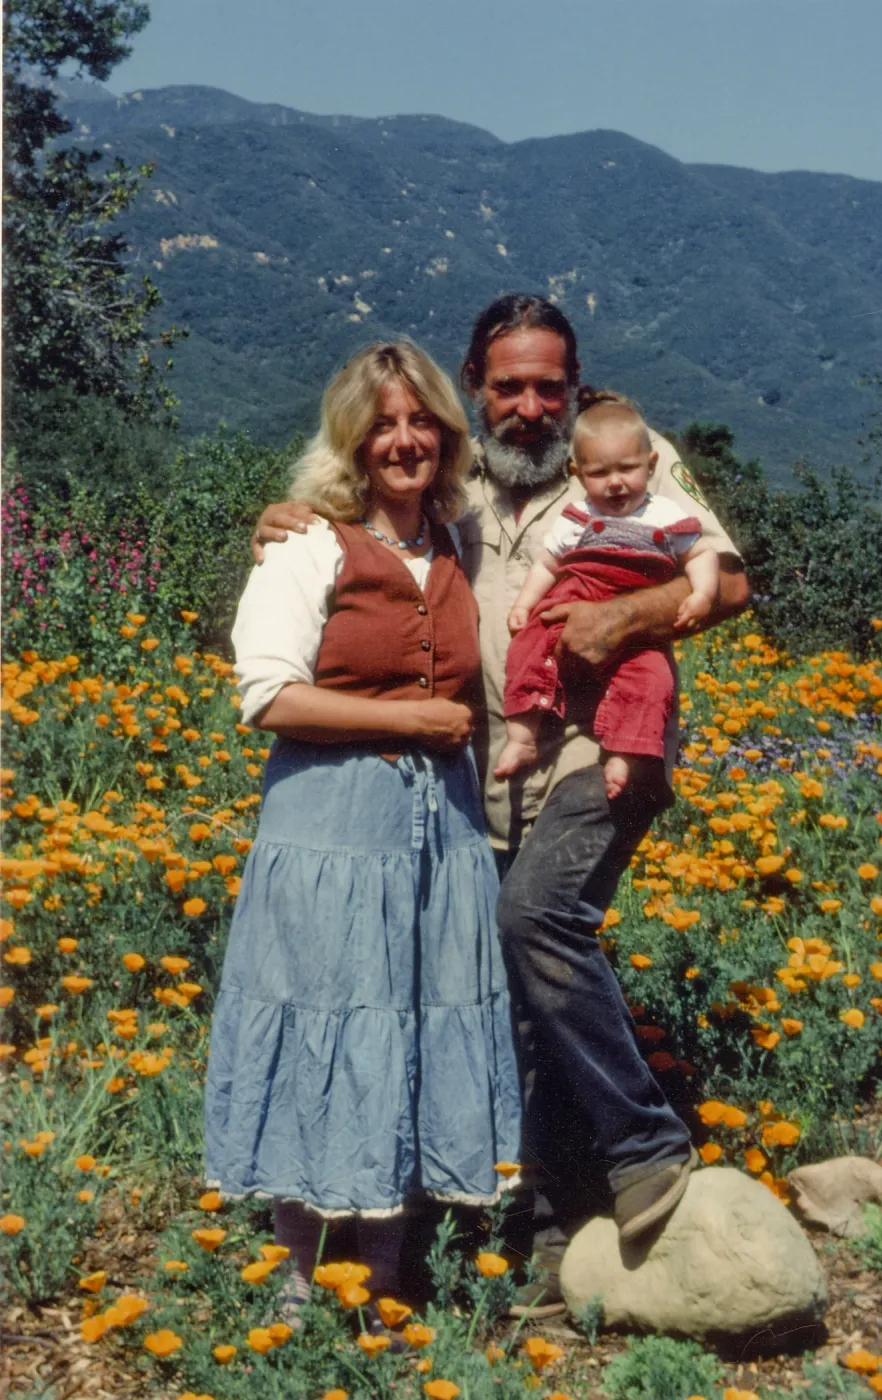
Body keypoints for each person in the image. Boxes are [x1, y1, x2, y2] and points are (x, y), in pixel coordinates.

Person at [253, 295, 749, 1316]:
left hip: (600, 747)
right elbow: (362, 530)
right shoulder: (450, 476)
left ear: (576, 387)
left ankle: (645, 1145)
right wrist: (288, 519)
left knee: (536, 918)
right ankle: (533, 1225)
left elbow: (728, 583)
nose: (531, 406)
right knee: (495, 980)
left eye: (549, 387)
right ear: (476, 387)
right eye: (509, 386)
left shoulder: (624, 455)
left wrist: (631, 612)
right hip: (481, 766)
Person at [206, 340, 521, 1304]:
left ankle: (383, 1276)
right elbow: (269, 696)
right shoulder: (307, 546)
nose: (403, 440)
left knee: (413, 1026)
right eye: (382, 425)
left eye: (421, 420)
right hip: (329, 828)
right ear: (350, 440)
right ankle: (297, 1280)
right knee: (321, 1019)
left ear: (448, 435)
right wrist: (410, 722)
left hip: (439, 836)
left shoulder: (459, 542)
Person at [495, 397, 719, 799]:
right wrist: (525, 605)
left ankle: (623, 753)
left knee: (652, 679)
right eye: (599, 473)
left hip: (638, 619)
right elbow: (546, 564)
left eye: (627, 469)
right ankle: (522, 734)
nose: (615, 482)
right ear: (578, 474)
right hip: (576, 592)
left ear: (651, 465)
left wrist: (703, 593)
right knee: (529, 646)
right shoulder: (577, 516)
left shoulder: (667, 514)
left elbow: (702, 553)